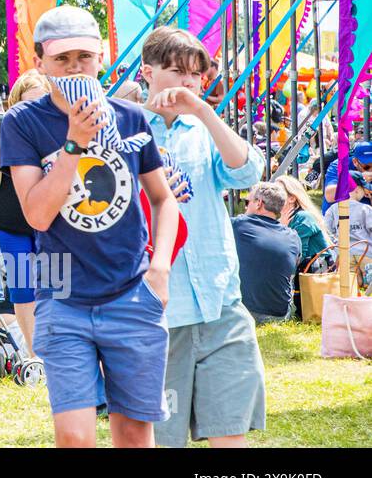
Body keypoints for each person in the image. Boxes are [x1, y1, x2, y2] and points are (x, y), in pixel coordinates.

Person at [0, 5, 179, 448]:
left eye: (84, 56)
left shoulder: (130, 118)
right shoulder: (22, 122)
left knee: (135, 434)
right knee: (75, 438)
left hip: (131, 289)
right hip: (61, 294)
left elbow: (162, 198)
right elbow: (37, 215)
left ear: (102, 56)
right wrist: (74, 143)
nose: (74, 67)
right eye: (61, 58)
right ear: (40, 61)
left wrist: (159, 269)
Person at [139, 26, 266, 449]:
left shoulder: (206, 133)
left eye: (197, 75)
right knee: (160, 439)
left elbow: (248, 173)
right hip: (158, 315)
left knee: (231, 436)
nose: (188, 83)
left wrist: (206, 113)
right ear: (148, 72)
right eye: (176, 71)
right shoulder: (128, 132)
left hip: (221, 305)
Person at [0, 69, 50, 357]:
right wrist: (12, 136)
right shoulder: (1, 125)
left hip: (48, 221)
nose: (34, 110)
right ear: (15, 103)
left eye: (41, 102)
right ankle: (35, 357)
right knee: (23, 291)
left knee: (57, 287)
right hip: (9, 223)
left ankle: (58, 354)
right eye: (27, 104)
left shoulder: (55, 128)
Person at [232, 183, 302, 324]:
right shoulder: (293, 236)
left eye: (248, 201)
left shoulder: (237, 225)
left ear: (259, 203)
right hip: (281, 314)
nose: (246, 206)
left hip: (245, 312)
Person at [274, 173, 330, 269]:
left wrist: (281, 230)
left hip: (314, 277)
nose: (272, 196)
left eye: (277, 192)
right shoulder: (283, 220)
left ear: (292, 198)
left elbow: (296, 258)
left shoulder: (303, 218)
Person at [322, 197, 372, 292]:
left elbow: (327, 230)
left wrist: (336, 246)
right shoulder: (365, 208)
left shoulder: (333, 209)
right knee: (369, 287)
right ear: (357, 190)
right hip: (367, 252)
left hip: (344, 253)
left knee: (351, 286)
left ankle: (355, 304)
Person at [323, 140, 372, 206]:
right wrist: (358, 180)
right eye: (367, 166)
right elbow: (329, 195)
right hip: (338, 213)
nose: (371, 170)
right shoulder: (340, 165)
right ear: (355, 162)